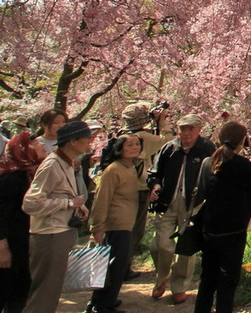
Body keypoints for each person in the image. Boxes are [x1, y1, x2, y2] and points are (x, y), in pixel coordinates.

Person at [21, 120, 93, 313]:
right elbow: (30, 203)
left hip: (61, 232)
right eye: (86, 138)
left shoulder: (66, 163)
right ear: (72, 141)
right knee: (44, 295)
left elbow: (62, 194)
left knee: (51, 294)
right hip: (50, 236)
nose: (90, 142)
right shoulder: (52, 165)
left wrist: (79, 206)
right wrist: (69, 204)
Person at [194, 122, 251, 313]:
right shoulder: (240, 165)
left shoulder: (209, 162)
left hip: (209, 229)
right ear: (243, 141)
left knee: (207, 279)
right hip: (233, 231)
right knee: (227, 282)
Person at [147, 113, 215, 304]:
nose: (186, 133)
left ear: (199, 130)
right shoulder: (170, 148)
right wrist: (155, 186)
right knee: (161, 244)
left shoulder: (206, 148)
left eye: (190, 128)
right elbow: (154, 172)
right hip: (168, 201)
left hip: (193, 204)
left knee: (186, 248)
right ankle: (161, 278)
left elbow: (215, 172)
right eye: (182, 128)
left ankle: (179, 287)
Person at [87, 135, 144, 313]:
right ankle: (103, 305)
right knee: (113, 268)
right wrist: (97, 228)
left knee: (116, 267)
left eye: (137, 144)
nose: (134, 147)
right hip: (115, 225)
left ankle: (103, 301)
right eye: (129, 145)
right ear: (120, 148)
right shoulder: (113, 170)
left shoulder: (130, 167)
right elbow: (101, 199)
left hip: (126, 224)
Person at [119, 103, 172, 280]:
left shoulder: (123, 134)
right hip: (138, 188)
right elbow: (169, 140)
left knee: (124, 228)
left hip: (122, 187)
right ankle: (122, 268)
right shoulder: (142, 137)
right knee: (135, 230)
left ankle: (119, 265)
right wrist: (162, 122)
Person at [0, 133, 46, 313]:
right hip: (10, 245)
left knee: (20, 294)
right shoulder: (11, 179)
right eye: (34, 143)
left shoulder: (34, 173)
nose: (41, 145)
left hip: (27, 243)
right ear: (22, 150)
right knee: (6, 290)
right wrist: (2, 247)